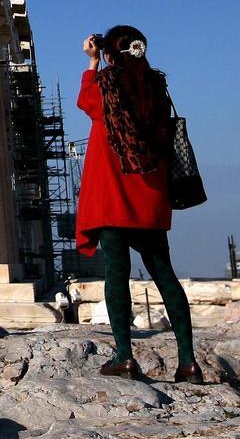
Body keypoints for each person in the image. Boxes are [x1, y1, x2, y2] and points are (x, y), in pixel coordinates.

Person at [75, 27, 203, 384]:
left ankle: (125, 356)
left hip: (115, 197)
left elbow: (86, 103)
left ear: (111, 55)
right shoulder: (155, 89)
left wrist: (91, 60)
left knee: (117, 273)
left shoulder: (104, 86)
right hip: (149, 197)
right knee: (165, 274)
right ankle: (189, 362)